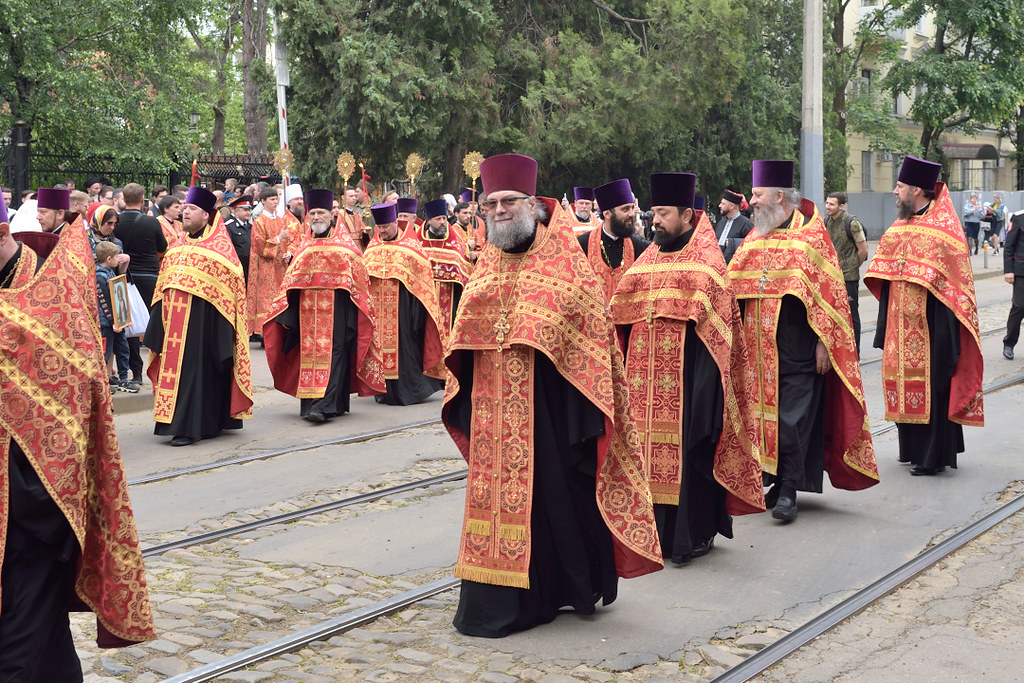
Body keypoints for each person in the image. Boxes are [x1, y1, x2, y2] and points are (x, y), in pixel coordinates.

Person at [443, 153, 662, 638]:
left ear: (532, 205)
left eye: (508, 202)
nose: (498, 211)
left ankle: (561, 587)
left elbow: (589, 332)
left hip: (553, 409)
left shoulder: (565, 262)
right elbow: (464, 333)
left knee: (554, 497)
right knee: (495, 498)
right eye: (491, 203)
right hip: (492, 408)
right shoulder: (486, 265)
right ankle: (499, 595)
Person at [0, 197, 156, 679]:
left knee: (16, 650)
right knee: (45, 649)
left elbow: (77, 394)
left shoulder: (53, 291)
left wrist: (41, 506)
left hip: (30, 513)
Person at [610, 171, 764, 565]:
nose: (655, 221)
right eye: (654, 213)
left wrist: (704, 397)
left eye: (663, 214)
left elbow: (720, 337)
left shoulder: (707, 264)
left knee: (690, 459)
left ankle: (691, 536)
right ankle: (654, 534)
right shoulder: (646, 261)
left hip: (691, 385)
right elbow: (619, 316)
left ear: (687, 215)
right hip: (643, 390)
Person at [729, 160, 878, 522]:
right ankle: (777, 483)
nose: (751, 201)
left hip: (798, 349)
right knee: (766, 420)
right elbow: (733, 285)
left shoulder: (811, 235)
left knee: (790, 422)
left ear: (779, 196)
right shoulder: (756, 235)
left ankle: (790, 490)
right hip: (758, 354)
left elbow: (832, 297)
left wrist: (826, 343)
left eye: (757, 194)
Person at [866, 155, 985, 475]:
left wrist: (947, 340)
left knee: (933, 386)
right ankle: (912, 449)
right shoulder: (900, 226)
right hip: (898, 325)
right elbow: (886, 280)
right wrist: (883, 330)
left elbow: (955, 287)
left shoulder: (943, 229)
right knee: (902, 385)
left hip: (934, 327)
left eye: (900, 186)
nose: (894, 191)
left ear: (917, 190)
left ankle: (932, 457)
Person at [144, 186, 253, 446]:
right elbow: (162, 288)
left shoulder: (220, 252)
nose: (185, 212)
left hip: (205, 326)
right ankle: (174, 421)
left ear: (206, 215)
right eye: (184, 208)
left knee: (196, 371)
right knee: (178, 373)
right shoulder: (175, 248)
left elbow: (232, 290)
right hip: (172, 325)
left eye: (191, 209)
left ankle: (191, 427)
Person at [264, 189, 385, 422]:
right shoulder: (304, 246)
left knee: (335, 352)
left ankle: (327, 405)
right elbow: (292, 279)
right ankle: (312, 404)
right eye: (313, 213)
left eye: (321, 213)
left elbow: (358, 277)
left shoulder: (345, 246)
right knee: (307, 353)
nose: (316, 217)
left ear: (332, 216)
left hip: (338, 310)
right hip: (306, 311)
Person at [362, 202, 447, 405]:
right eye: (379, 227)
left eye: (386, 226)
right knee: (380, 348)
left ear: (395, 223)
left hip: (404, 308)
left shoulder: (410, 247)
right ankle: (384, 390)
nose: (382, 231)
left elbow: (422, 274)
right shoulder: (373, 247)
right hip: (378, 308)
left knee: (405, 349)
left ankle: (406, 391)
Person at [113, 182, 167, 385]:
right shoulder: (151, 222)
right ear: (143, 197)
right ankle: (159, 370)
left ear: (123, 199)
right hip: (149, 277)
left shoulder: (115, 222)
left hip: (123, 278)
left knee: (128, 327)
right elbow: (163, 247)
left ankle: (134, 372)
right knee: (154, 323)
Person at [577, 178, 650, 302]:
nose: (632, 214)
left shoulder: (641, 247)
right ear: (607, 214)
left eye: (632, 208)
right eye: (625, 209)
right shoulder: (582, 244)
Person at [248, 186, 300, 339]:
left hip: (281, 265)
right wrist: (278, 238)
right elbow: (257, 244)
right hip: (266, 266)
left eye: (276, 199)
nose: (275, 202)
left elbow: (291, 240)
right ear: (263, 201)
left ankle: (279, 329)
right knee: (266, 298)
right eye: (271, 199)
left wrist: (288, 253)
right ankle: (265, 332)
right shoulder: (259, 221)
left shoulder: (281, 219)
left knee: (279, 296)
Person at [823, 191, 868, 356]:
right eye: (827, 203)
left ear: (841, 206)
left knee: (851, 316)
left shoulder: (852, 223)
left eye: (831, 204)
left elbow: (863, 250)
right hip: (831, 276)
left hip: (848, 279)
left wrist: (852, 267)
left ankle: (855, 353)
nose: (828, 207)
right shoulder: (826, 221)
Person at [418, 198, 472, 331]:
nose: (442, 222)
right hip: (426, 298)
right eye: (438, 219)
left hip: (450, 295)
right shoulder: (420, 243)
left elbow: (463, 267)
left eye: (444, 218)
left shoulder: (454, 243)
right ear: (429, 220)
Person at [1004, 208, 1024, 359]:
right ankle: (1009, 343)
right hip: (1021, 271)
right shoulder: (1018, 218)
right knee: (1019, 306)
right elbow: (1009, 246)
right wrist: (1008, 270)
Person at [714, 189, 754, 264]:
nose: (720, 206)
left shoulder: (746, 224)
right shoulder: (721, 223)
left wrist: (733, 243)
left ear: (731, 206)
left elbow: (752, 246)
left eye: (723, 204)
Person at [225, 194, 254, 283]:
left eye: (249, 210)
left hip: (250, 267)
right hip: (237, 268)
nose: (248, 212)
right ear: (236, 212)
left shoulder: (251, 226)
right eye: (245, 210)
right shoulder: (229, 226)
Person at [339, 186, 367, 250]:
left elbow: (362, 229)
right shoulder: (339, 215)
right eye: (351, 196)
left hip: (359, 247)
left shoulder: (357, 215)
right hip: (346, 247)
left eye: (355, 196)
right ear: (343, 197)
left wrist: (365, 232)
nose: (354, 198)